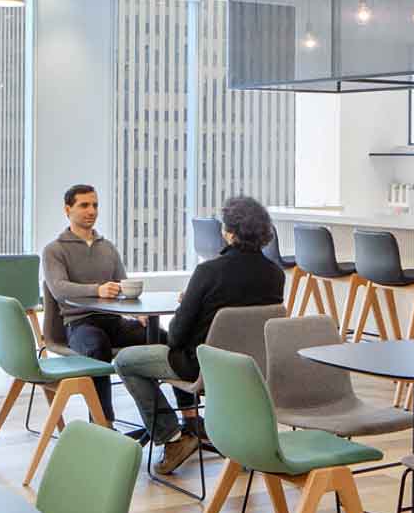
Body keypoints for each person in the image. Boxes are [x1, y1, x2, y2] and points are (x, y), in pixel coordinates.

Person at [115, 196, 286, 472]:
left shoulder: (208, 271)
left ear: (229, 233)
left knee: (125, 361)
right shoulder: (276, 274)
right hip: (250, 370)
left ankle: (171, 437)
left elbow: (176, 336)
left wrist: (188, 302)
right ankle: (217, 434)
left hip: (201, 367)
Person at [42, 184, 144, 420]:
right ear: (68, 209)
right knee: (97, 347)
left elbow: (123, 285)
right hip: (79, 324)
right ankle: (102, 423)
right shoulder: (54, 250)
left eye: (95, 205)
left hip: (115, 322)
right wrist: (97, 289)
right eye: (84, 205)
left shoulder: (107, 248)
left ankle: (187, 421)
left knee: (163, 338)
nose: (92, 211)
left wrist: (138, 312)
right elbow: (59, 289)